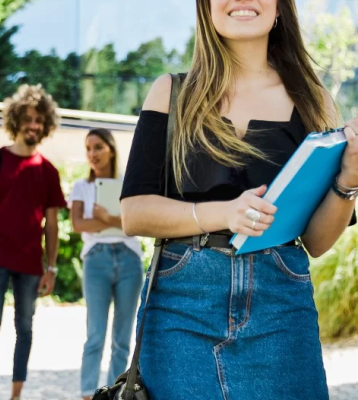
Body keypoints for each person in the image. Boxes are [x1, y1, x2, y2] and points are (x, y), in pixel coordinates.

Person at [119, 1, 358, 399]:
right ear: (207, 8)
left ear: (280, 9)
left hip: (282, 303)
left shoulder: (315, 101)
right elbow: (134, 212)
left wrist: (349, 180)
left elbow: (316, 243)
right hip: (182, 303)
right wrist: (227, 213)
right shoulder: (172, 92)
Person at [0, 84, 66, 400]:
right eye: (28, 119)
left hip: (31, 264)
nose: (33, 125)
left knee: (26, 329)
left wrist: (51, 267)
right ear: (16, 119)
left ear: (45, 125)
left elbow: (52, 226)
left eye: (39, 120)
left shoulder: (47, 171)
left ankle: (16, 394)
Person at [68, 128, 143, 400]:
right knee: (95, 334)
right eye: (88, 148)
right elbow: (78, 224)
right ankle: (88, 393)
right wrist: (116, 221)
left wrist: (104, 218)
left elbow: (136, 225)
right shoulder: (81, 187)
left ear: (110, 148)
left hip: (128, 259)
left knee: (122, 337)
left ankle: (115, 392)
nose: (92, 154)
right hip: (96, 259)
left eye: (98, 147)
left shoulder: (128, 184)